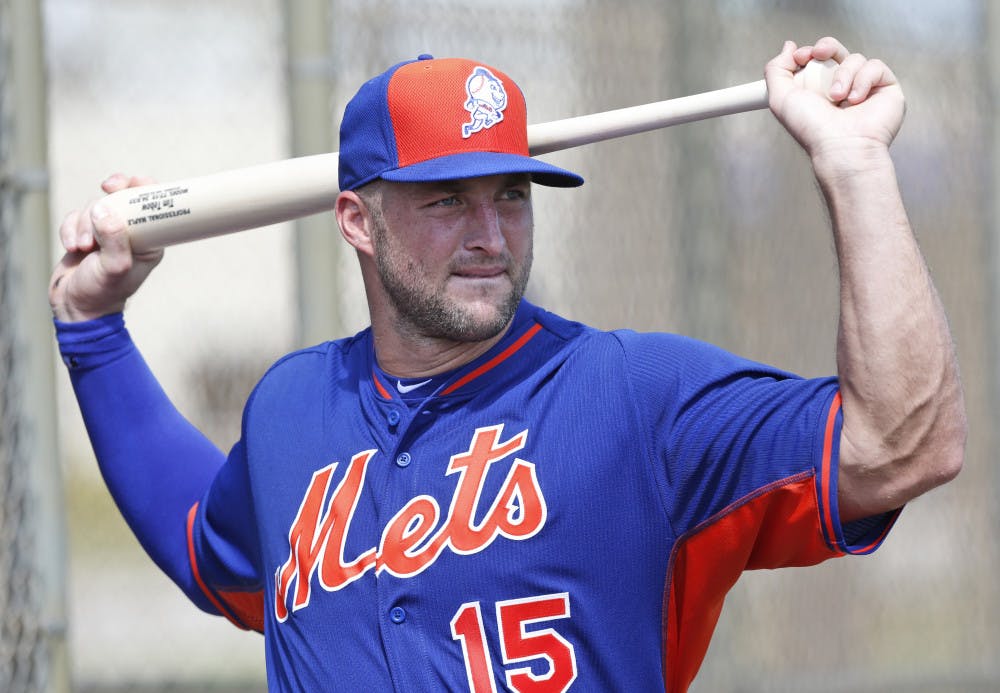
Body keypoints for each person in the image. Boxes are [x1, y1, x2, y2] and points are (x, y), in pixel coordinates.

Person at [50, 38, 966, 692]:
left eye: (511, 195)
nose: (490, 235)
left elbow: (902, 446)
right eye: (447, 199)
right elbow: (209, 551)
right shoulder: (293, 407)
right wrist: (92, 332)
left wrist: (855, 170)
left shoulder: (633, 397)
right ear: (357, 222)